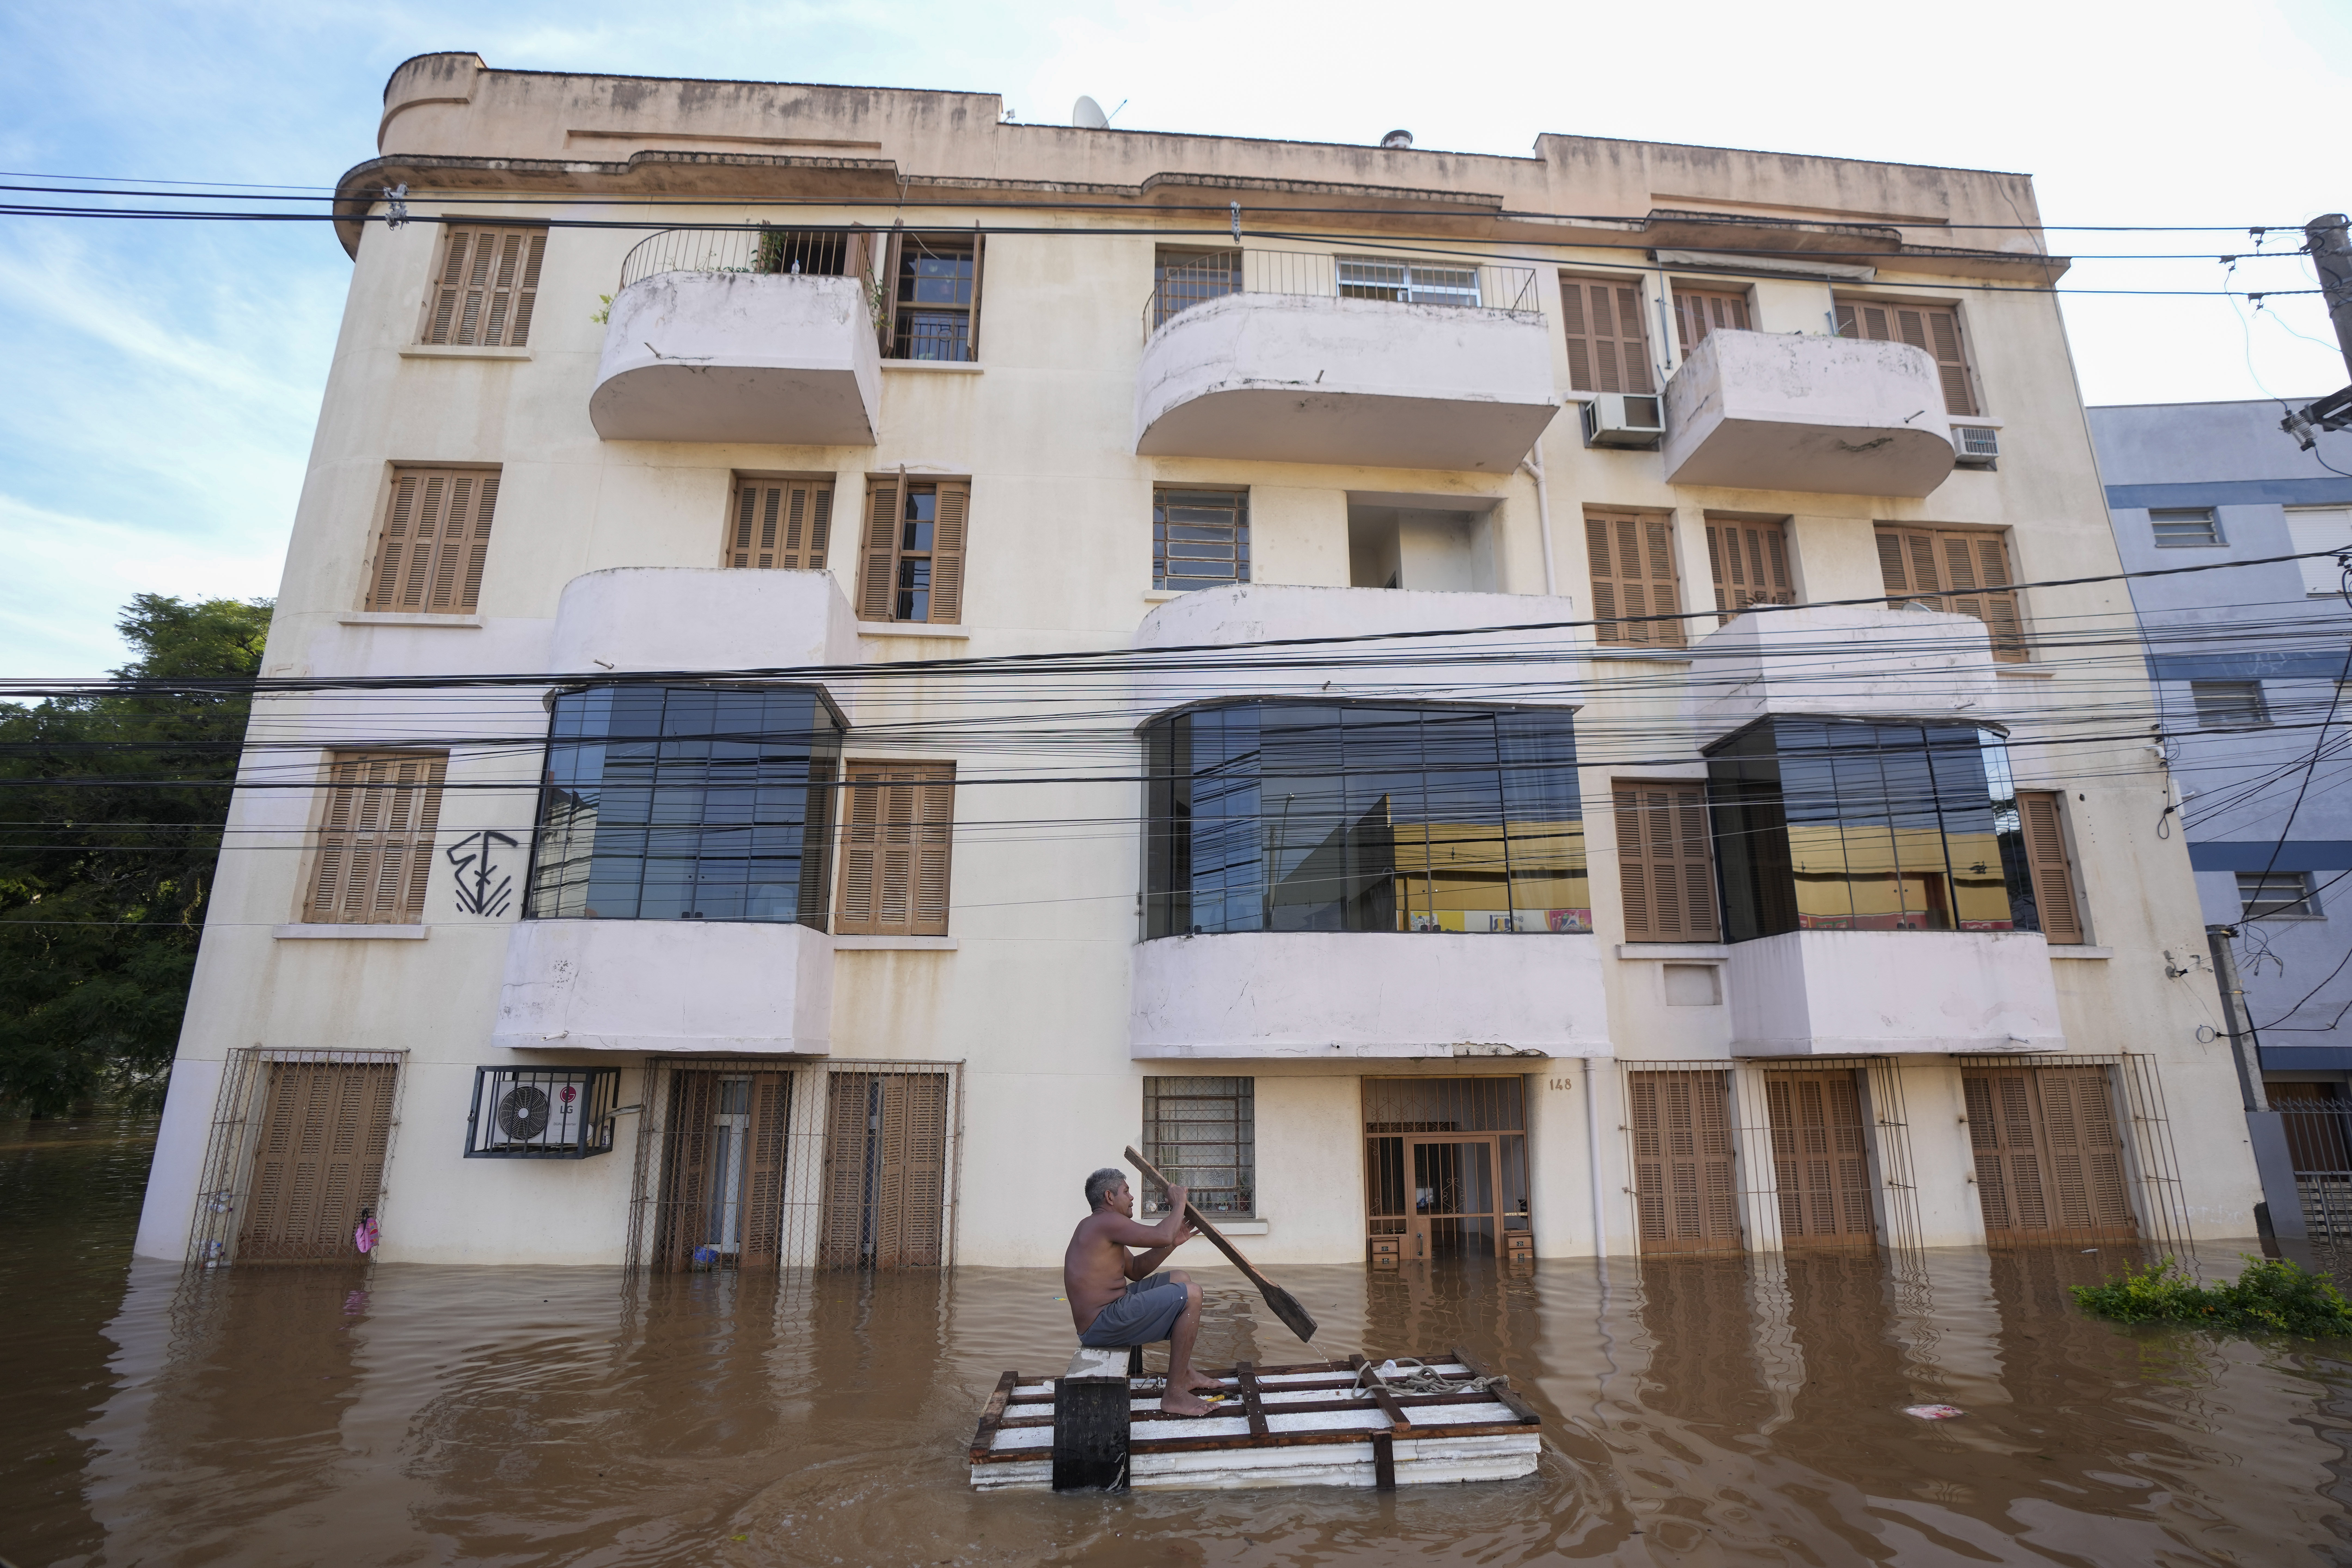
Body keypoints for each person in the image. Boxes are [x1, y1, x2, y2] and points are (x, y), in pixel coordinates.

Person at [1063, 1166, 1220, 1416]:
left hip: (1112, 1312)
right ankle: (1174, 1395)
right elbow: (1162, 1234)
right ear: (1110, 1197)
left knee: (1181, 1279)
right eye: (1127, 1191)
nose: (1132, 1197)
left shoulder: (1102, 1226)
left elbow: (1135, 1270)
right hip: (1102, 1324)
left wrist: (1172, 1244)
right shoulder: (1105, 1222)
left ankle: (1185, 1373)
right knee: (1193, 1294)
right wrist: (1179, 1201)